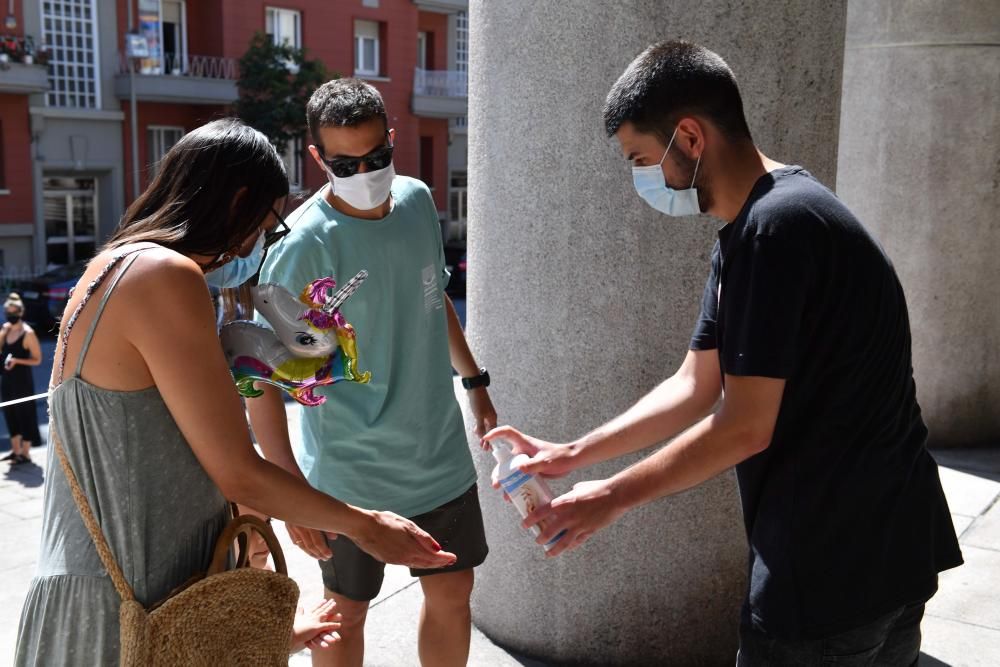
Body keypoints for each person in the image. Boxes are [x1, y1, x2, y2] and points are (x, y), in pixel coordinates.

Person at [485, 41, 963, 665]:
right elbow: (695, 382)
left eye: (640, 158)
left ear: (688, 136)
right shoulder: (760, 225)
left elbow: (743, 427)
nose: (641, 179)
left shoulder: (776, 231)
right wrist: (570, 455)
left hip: (828, 572)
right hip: (893, 550)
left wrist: (610, 498)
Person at [14, 118, 456, 666]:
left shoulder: (113, 266)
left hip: (126, 599)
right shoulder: (165, 276)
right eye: (267, 225)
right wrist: (366, 526)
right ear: (240, 202)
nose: (257, 244)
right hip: (130, 611)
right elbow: (236, 469)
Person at [246, 79, 496, 667]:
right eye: (345, 163)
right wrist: (293, 496)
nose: (365, 171)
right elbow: (261, 382)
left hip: (438, 456)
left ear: (392, 138)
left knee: (454, 593)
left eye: (376, 157)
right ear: (316, 158)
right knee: (342, 617)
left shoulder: (415, 202)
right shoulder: (302, 248)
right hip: (347, 478)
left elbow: (434, 304)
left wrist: (476, 381)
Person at [1, 293, 43, 465]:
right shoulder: (6, 329)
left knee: (25, 414)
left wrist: (17, 360)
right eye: (8, 312)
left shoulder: (28, 333)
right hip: (7, 379)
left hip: (22, 381)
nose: (11, 316)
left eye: (13, 312)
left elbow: (38, 359)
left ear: (20, 313)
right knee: (10, 413)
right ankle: (15, 450)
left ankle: (25, 453)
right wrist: (3, 333)